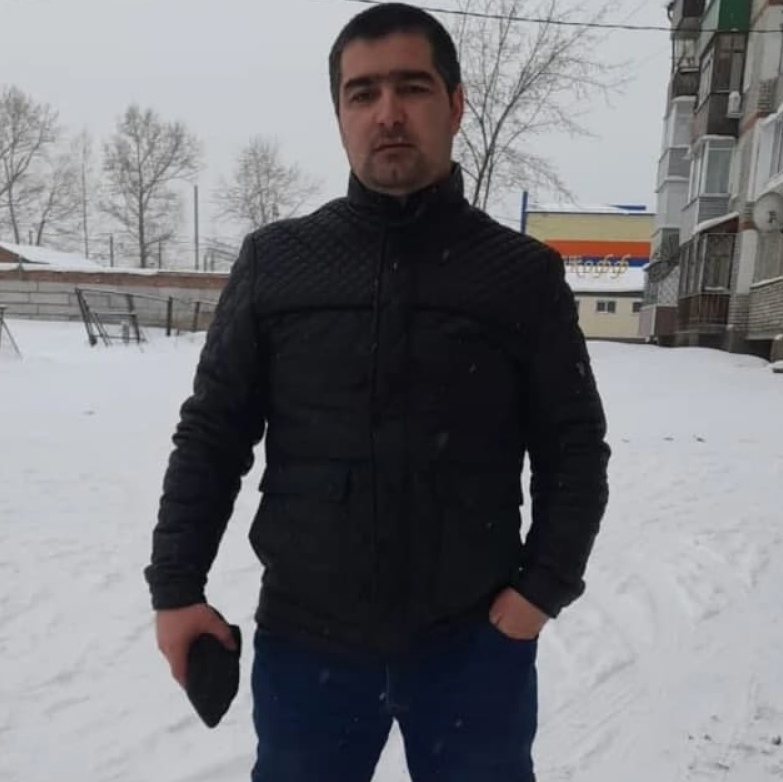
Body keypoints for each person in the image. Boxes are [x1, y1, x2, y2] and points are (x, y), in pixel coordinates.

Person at [144, 3, 611, 780]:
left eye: (411, 87)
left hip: (472, 646)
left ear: (455, 104)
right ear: (339, 115)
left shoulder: (518, 276)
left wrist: (541, 590)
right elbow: (211, 436)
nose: (386, 113)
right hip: (307, 651)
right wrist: (175, 588)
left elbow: (574, 449)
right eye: (361, 93)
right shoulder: (277, 263)